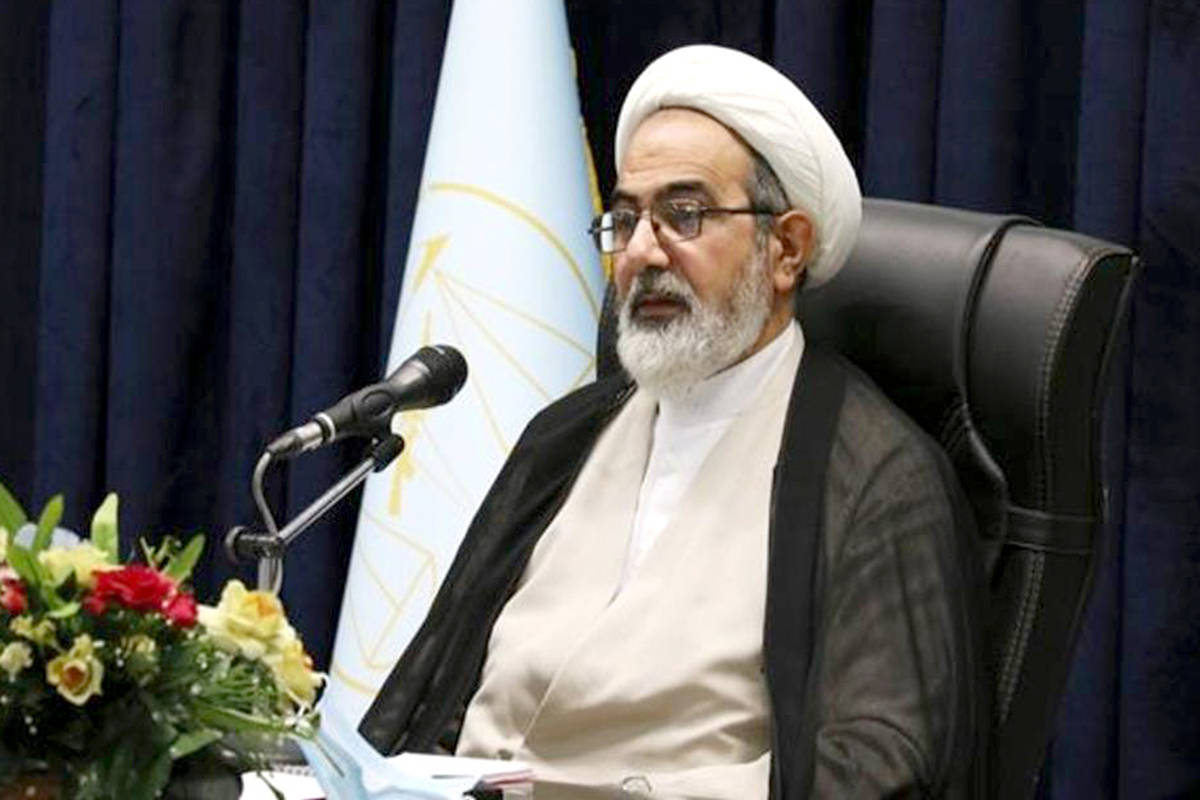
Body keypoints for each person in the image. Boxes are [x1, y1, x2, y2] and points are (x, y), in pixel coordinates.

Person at [360, 45, 983, 799]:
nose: (642, 251)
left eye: (683, 215)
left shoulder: (877, 477)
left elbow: (881, 768)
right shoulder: (565, 438)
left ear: (786, 249)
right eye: (625, 219)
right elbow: (435, 700)